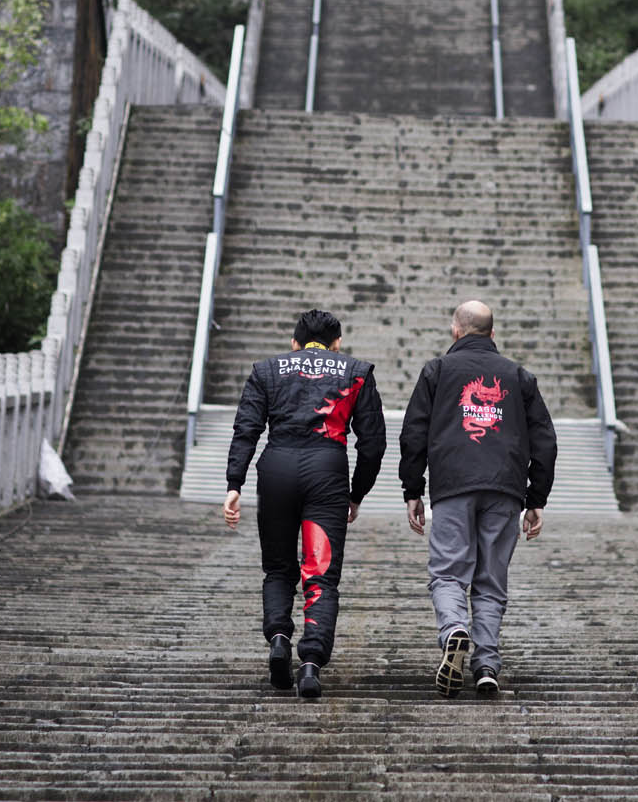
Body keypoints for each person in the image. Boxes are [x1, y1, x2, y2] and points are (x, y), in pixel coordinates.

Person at [224, 308, 385, 700]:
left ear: (294, 343)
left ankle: (279, 638)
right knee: (321, 574)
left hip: (276, 469)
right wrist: (356, 493)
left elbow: (246, 429)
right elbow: (373, 443)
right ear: (337, 343)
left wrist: (234, 483)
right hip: (326, 473)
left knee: (279, 568)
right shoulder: (356, 371)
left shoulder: (267, 370)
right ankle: (311, 663)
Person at [399, 299, 556, 698]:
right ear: (492, 333)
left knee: (448, 572)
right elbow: (545, 441)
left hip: (453, 486)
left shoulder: (437, 371)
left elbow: (413, 433)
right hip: (505, 489)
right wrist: (536, 498)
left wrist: (413, 490)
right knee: (491, 580)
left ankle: (455, 628)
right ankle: (486, 665)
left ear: (456, 331)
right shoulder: (518, 376)